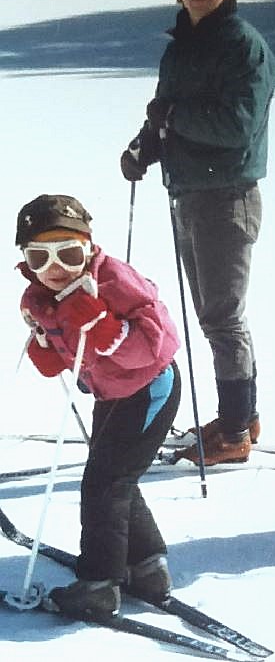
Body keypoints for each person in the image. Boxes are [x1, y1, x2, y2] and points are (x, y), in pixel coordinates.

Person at [120, 0, 275, 467]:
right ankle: (242, 414)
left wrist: (173, 121)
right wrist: (144, 148)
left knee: (222, 317)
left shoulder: (243, 46)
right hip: (189, 193)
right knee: (217, 315)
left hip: (227, 194)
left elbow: (237, 126)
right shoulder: (181, 49)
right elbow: (164, 114)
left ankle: (234, 430)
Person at [16, 194, 181, 616]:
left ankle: (99, 584)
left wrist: (105, 327)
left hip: (149, 389)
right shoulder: (44, 296)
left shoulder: (115, 281)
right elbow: (55, 365)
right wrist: (41, 336)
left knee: (104, 482)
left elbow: (153, 345)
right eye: (40, 257)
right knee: (115, 476)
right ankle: (146, 567)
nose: (56, 268)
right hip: (111, 392)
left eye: (69, 254)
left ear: (88, 246)